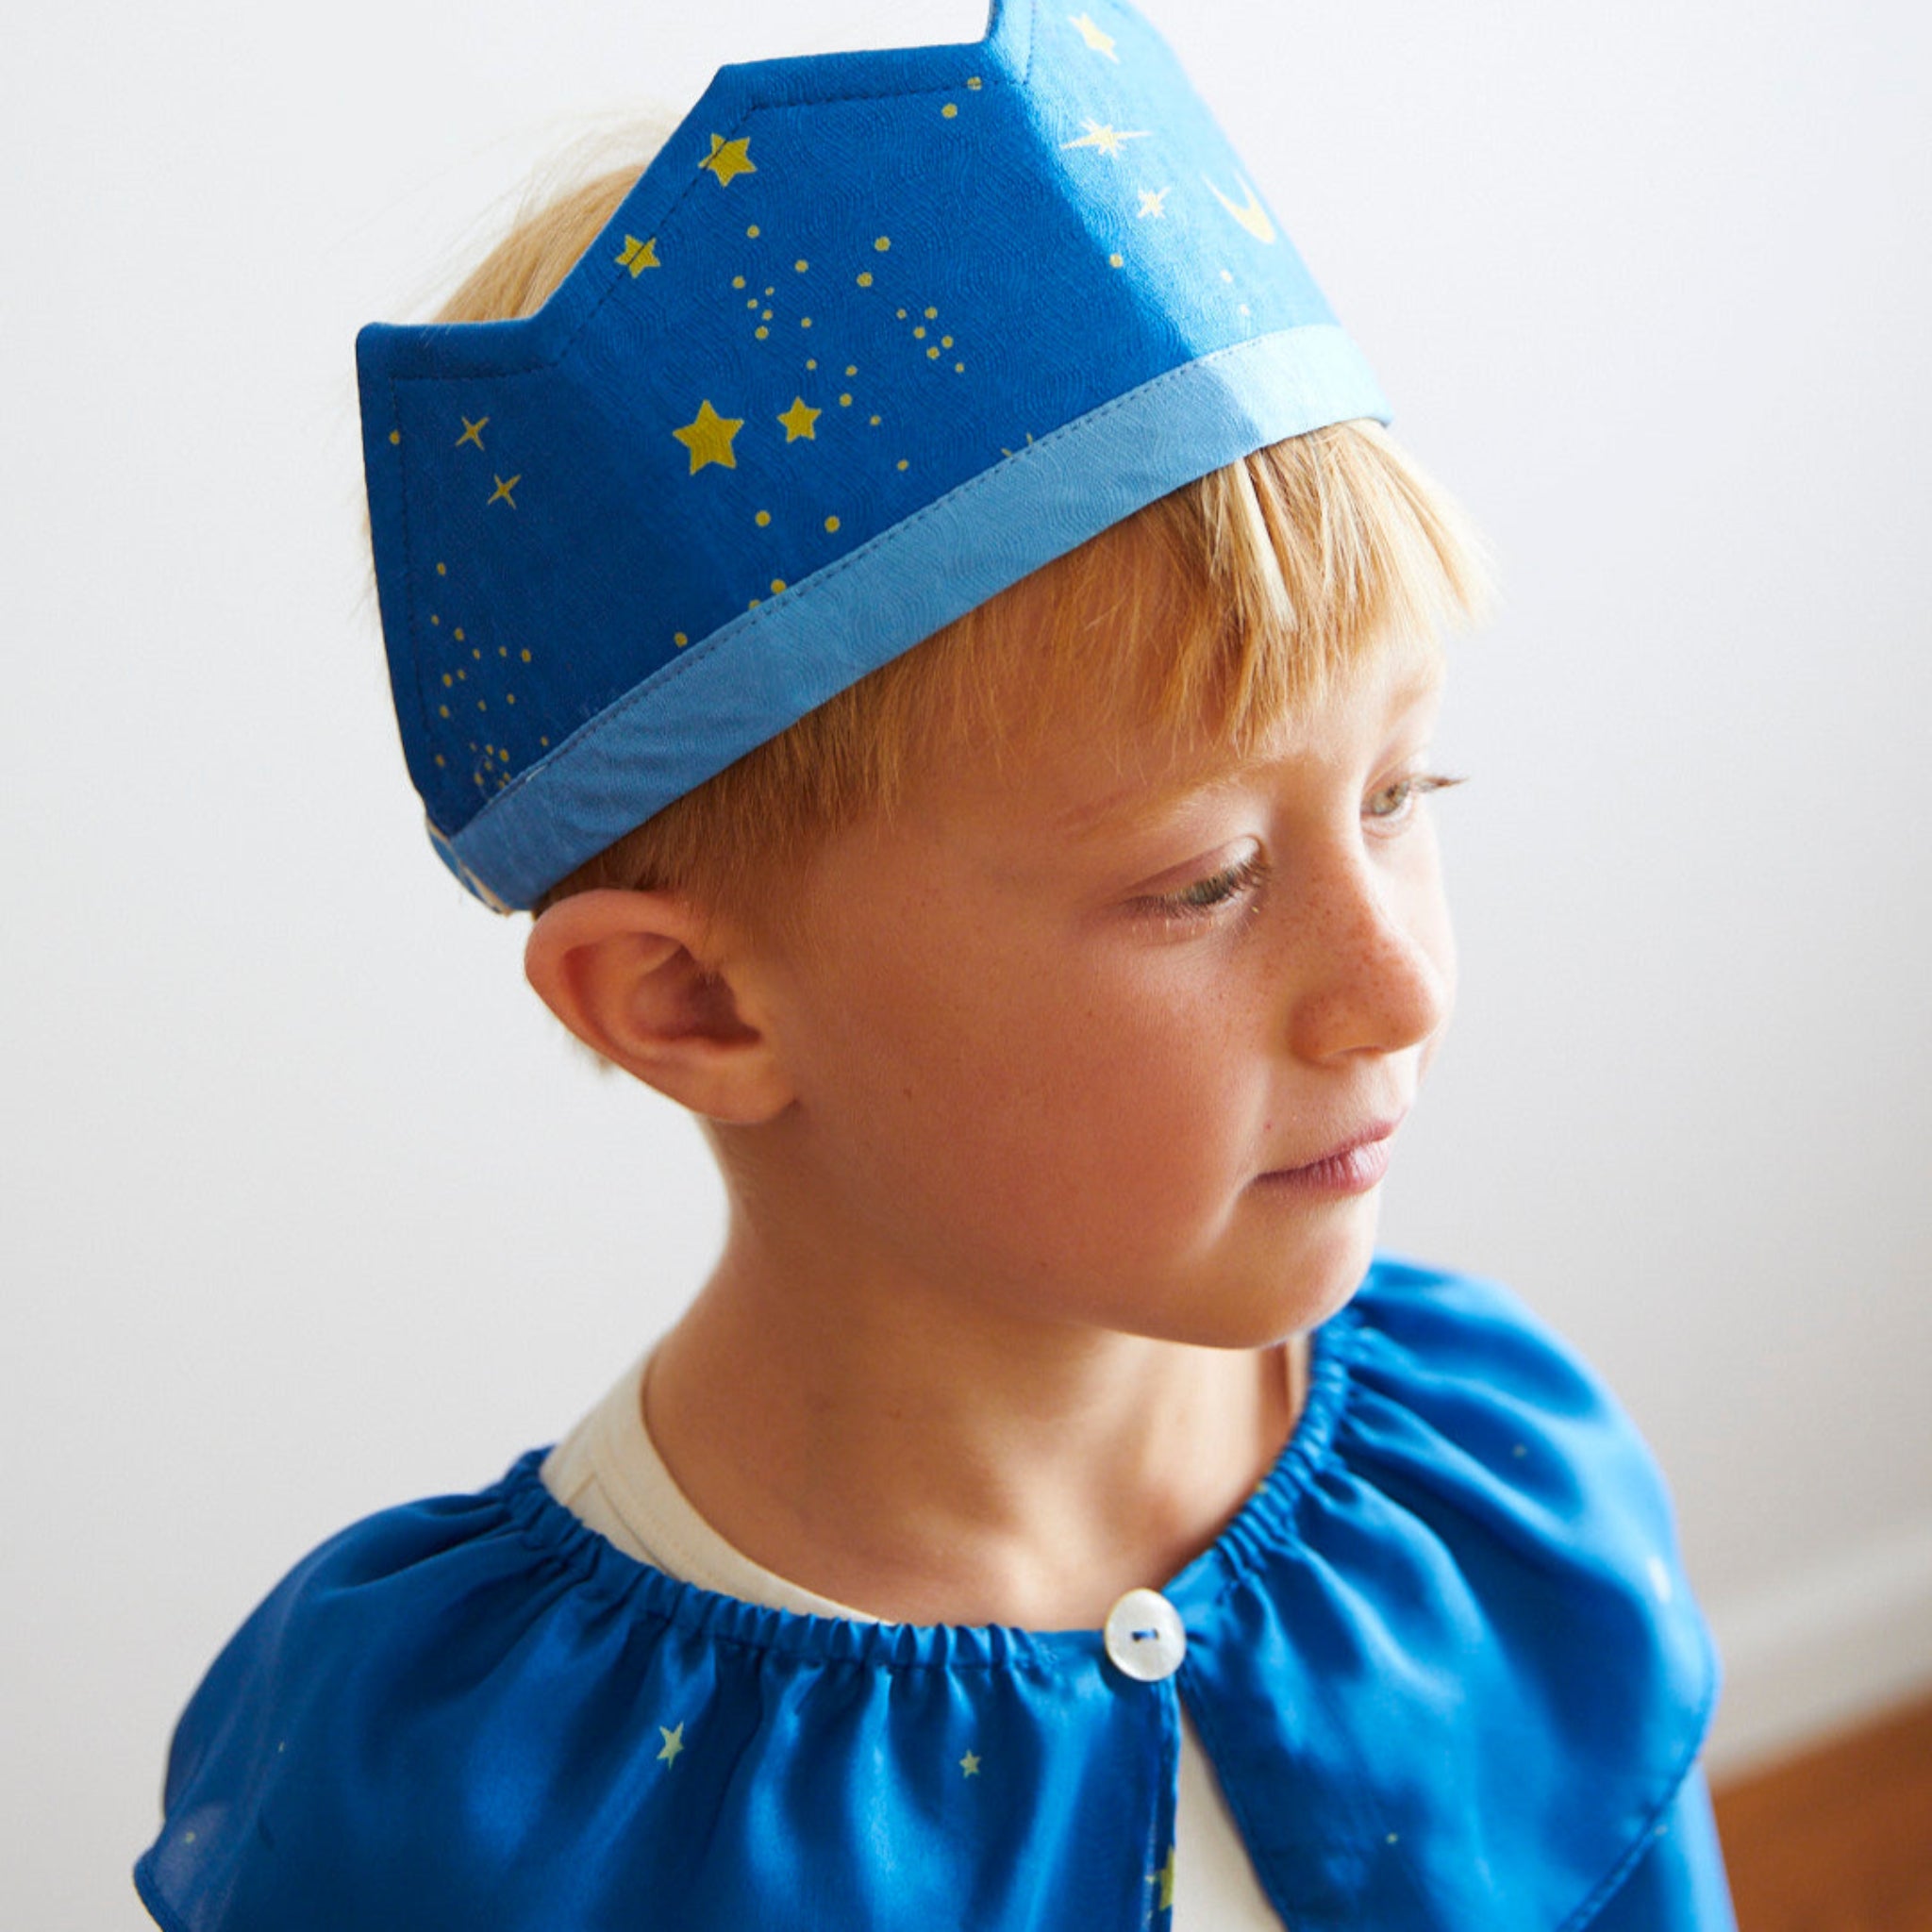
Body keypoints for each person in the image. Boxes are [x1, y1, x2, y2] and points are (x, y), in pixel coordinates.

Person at [135, 3, 1738, 1925]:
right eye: (1206, 881)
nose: (1398, 987)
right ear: (692, 1004)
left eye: (1405, 789)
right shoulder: (466, 1809)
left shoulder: (1493, 1494)